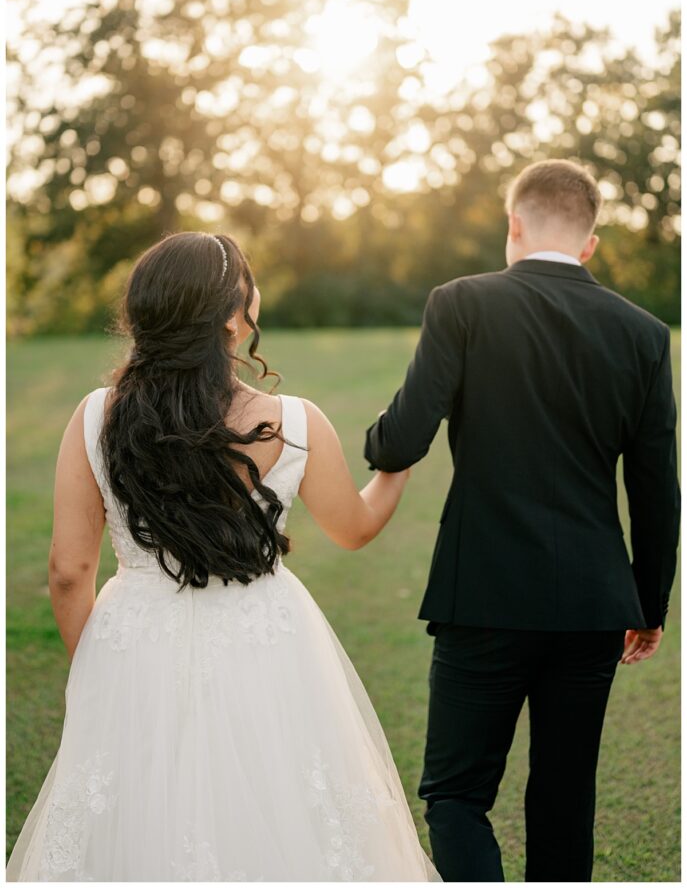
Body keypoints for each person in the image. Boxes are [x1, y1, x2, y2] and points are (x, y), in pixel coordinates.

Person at [7, 231, 439, 882]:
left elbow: (69, 572)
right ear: (235, 316)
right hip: (266, 642)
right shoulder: (293, 422)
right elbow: (354, 527)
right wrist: (397, 463)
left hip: (135, 641)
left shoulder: (96, 416)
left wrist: (94, 671)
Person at [364, 158, 680, 882]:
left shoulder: (460, 302)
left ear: (513, 225)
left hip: (483, 595)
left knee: (455, 794)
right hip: (595, 604)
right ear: (590, 244)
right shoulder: (640, 333)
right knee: (565, 801)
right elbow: (658, 489)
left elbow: (403, 439)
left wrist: (376, 440)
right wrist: (648, 602)